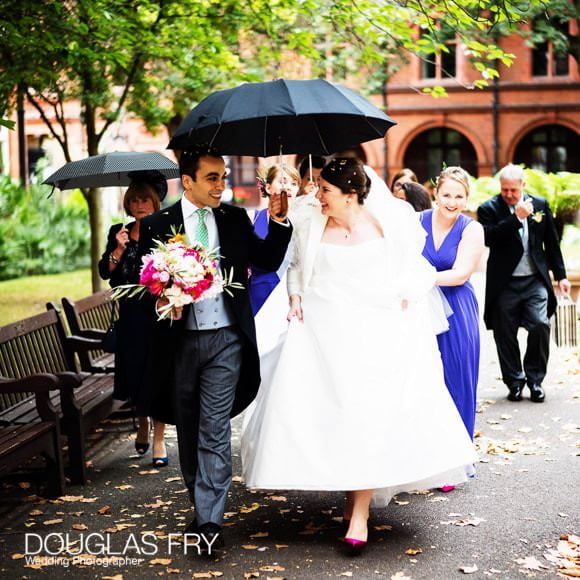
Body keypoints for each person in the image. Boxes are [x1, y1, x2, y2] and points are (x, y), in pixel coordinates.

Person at [242, 158, 476, 554]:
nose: (317, 195)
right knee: (337, 418)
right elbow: (297, 265)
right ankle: (353, 498)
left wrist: (404, 298)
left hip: (374, 333)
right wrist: (295, 295)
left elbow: (410, 271)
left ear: (350, 194)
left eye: (325, 189)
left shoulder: (387, 224)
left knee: (368, 416)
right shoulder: (310, 221)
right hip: (321, 332)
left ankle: (359, 513)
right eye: (316, 187)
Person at [138, 148, 292, 548]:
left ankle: (209, 521)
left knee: (214, 426)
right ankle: (200, 502)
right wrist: (161, 296)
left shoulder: (234, 218)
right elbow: (141, 287)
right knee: (188, 427)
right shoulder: (158, 224)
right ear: (186, 181)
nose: (220, 184)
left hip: (227, 338)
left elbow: (268, 260)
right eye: (211, 177)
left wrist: (277, 220)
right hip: (180, 342)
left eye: (222, 176)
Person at [477, 164, 570, 403]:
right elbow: (488, 237)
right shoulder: (489, 208)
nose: (508, 194)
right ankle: (515, 382)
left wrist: (561, 276)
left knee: (540, 324)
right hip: (505, 283)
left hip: (534, 280)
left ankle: (535, 380)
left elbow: (551, 242)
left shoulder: (539, 205)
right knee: (504, 333)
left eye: (513, 190)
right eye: (505, 189)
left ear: (523, 186)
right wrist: (515, 219)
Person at [98, 174, 168, 466]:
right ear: (129, 203)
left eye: (145, 200)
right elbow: (106, 272)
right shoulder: (119, 231)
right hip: (130, 318)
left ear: (154, 203)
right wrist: (118, 249)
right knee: (137, 376)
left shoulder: (165, 232)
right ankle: (142, 423)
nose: (140, 205)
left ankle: (160, 438)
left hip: (158, 315)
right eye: (135, 200)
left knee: (159, 377)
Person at [420, 167, 485, 439]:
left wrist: (419, 278)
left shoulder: (471, 229)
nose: (452, 202)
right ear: (435, 193)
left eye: (459, 196)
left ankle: (457, 457)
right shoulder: (414, 222)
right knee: (422, 380)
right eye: (446, 194)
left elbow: (460, 274)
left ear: (467, 198)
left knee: (456, 378)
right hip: (419, 307)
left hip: (456, 310)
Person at [249, 164, 300, 316]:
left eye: (294, 183)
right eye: (283, 182)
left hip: (290, 296)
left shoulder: (303, 222)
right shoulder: (252, 218)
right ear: (269, 188)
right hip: (258, 295)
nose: (289, 187)